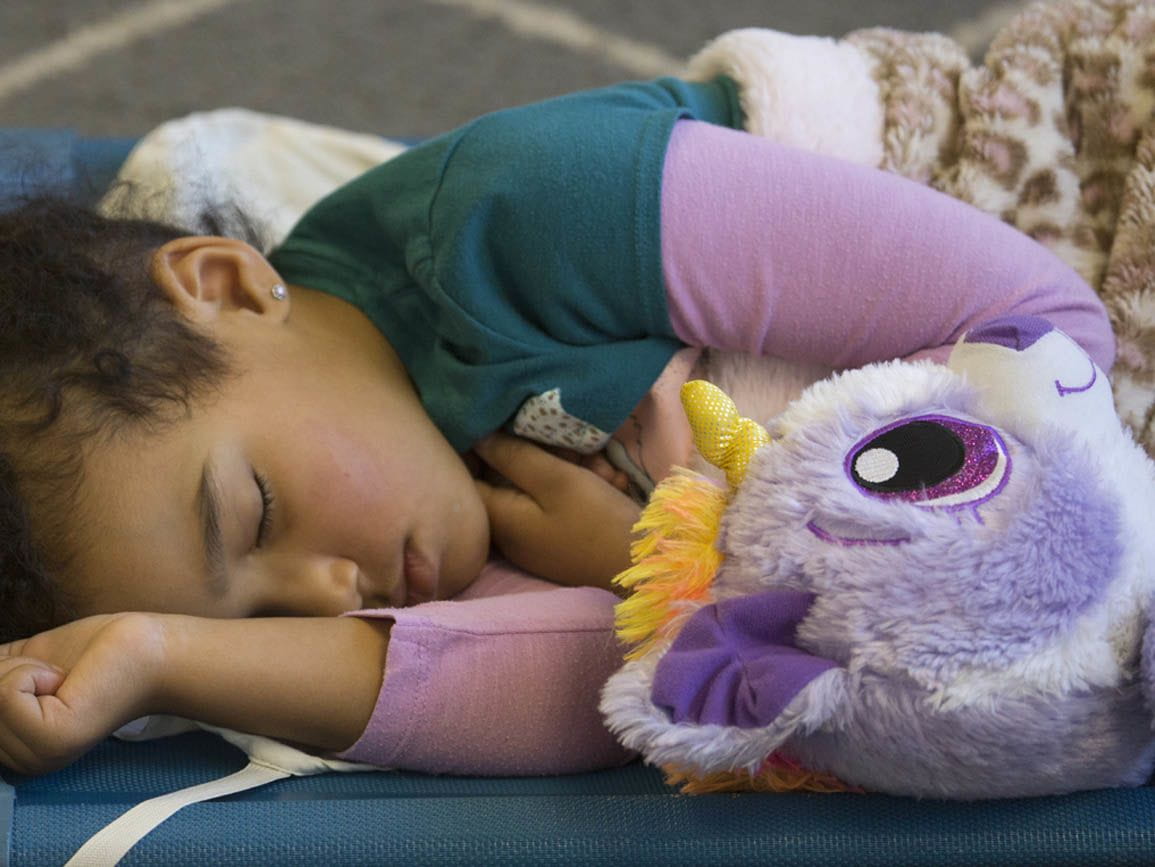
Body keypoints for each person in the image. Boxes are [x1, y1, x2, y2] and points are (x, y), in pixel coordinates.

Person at [0, 76, 1113, 777]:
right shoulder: (417, 504)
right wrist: (165, 659)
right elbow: (600, 704)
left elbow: (1048, 331)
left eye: (257, 516)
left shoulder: (536, 212)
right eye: (257, 616)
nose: (328, 591)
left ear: (228, 287)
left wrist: (746, 551)